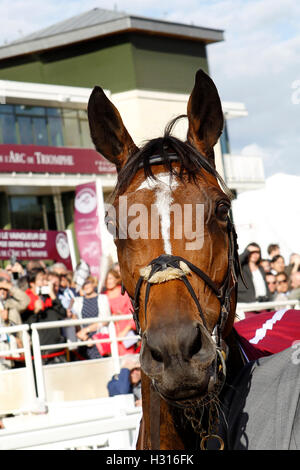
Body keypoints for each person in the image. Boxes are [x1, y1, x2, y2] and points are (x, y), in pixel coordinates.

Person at [23, 268, 68, 364]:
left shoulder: (49, 298)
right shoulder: (25, 300)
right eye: (41, 280)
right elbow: (26, 325)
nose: (45, 283)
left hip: (57, 350)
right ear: (32, 283)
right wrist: (35, 311)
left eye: (45, 280)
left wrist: (52, 294)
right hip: (41, 352)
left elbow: (62, 314)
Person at [71, 278, 111, 360]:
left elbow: (105, 320)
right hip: (84, 340)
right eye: (84, 284)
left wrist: (86, 330)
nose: (86, 286)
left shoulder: (103, 298)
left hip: (99, 339)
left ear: (94, 284)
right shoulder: (78, 301)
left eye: (88, 283)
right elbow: (75, 320)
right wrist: (84, 337)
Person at [103, 269, 139, 356]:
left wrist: (125, 331)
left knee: (128, 358)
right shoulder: (103, 296)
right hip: (111, 330)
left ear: (116, 279)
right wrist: (112, 316)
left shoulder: (123, 293)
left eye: (111, 278)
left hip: (126, 330)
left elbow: (131, 312)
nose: (109, 281)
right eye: (107, 279)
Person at [0, 269, 29, 369]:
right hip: (4, 353)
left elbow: (25, 300)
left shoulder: (11, 303)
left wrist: (10, 287)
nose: (2, 291)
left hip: (18, 350)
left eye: (4, 289)